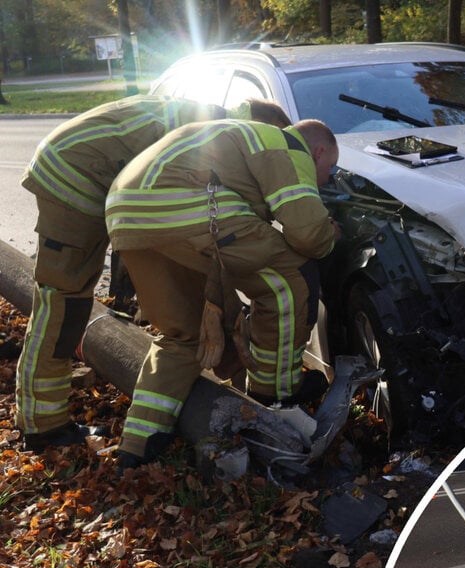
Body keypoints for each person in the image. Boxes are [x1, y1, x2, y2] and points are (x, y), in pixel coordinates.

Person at [104, 118, 339, 470]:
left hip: (127, 213)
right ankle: (276, 397)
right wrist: (331, 232)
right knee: (289, 278)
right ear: (318, 151)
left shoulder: (239, 133)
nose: (327, 178)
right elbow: (308, 233)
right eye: (329, 168)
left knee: (185, 331)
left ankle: (138, 445)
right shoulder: (287, 147)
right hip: (185, 204)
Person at [15, 95, 234, 452]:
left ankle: (39, 420)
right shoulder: (208, 138)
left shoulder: (198, 116)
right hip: (74, 177)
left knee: (60, 301)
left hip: (73, 162)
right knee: (62, 305)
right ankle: (43, 427)